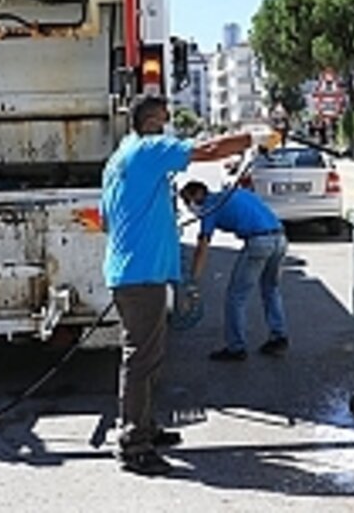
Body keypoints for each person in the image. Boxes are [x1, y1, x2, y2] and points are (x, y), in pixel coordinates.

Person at [101, 95, 278, 475]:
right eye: (164, 121)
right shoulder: (148, 149)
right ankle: (133, 444)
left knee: (150, 356)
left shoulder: (119, 159)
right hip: (140, 275)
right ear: (152, 122)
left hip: (133, 271)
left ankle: (145, 426)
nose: (168, 129)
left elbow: (105, 219)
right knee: (141, 358)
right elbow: (208, 150)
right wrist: (254, 138)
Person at [179, 179, 290, 362]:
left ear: (196, 196)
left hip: (258, 243)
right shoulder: (233, 193)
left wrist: (193, 281)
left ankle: (236, 347)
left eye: (186, 201)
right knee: (271, 290)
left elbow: (202, 248)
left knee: (236, 296)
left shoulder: (210, 208)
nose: (188, 207)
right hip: (280, 238)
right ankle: (279, 337)